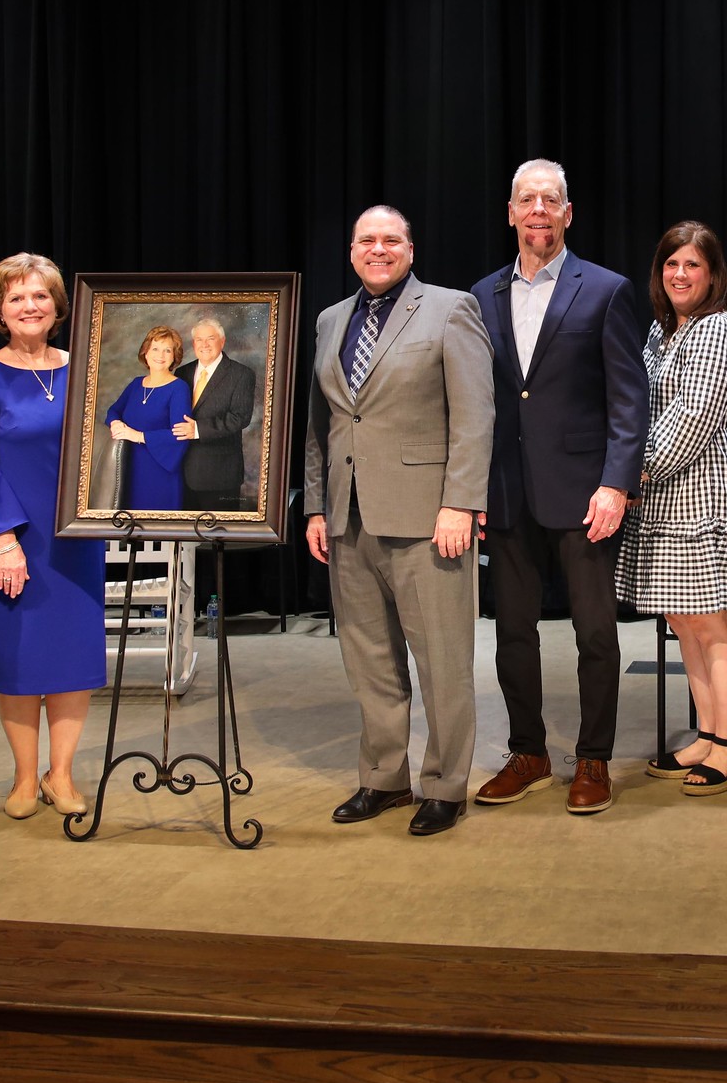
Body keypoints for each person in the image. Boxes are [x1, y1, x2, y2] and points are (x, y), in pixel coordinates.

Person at [304, 205, 495, 837]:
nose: (378, 249)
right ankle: (384, 777)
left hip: (427, 516)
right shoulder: (331, 321)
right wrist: (314, 507)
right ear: (351, 250)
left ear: (410, 249)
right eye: (367, 240)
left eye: (391, 240)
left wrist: (461, 503)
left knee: (442, 661)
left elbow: (474, 414)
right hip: (347, 518)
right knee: (369, 659)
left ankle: (444, 785)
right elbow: (321, 428)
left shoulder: (450, 308)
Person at [470, 159, 649, 816]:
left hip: (583, 493)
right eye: (527, 199)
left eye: (551, 199)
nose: (539, 209)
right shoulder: (479, 295)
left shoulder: (604, 290)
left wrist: (615, 484)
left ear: (567, 214)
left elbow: (630, 400)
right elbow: (476, 402)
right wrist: (470, 488)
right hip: (507, 492)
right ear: (511, 212)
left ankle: (593, 758)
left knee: (596, 633)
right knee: (512, 630)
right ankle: (528, 751)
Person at [616, 221, 727, 797]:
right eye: (670, 265)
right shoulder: (664, 332)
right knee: (683, 623)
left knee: (711, 624)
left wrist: (630, 470)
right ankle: (707, 735)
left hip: (697, 498)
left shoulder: (717, 332)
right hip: (660, 499)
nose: (679, 274)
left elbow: (693, 420)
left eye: (692, 266)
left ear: (713, 274)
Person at [0, 253, 108, 820]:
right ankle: (25, 778)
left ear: (57, 306)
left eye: (40, 295)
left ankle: (61, 775)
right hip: (13, 540)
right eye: (17, 297)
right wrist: (4, 540)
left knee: (71, 660)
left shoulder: (86, 367)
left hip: (74, 540)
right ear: (0, 308)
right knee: (19, 662)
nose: (29, 306)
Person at [103, 325, 192, 510]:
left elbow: (180, 436)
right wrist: (115, 423)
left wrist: (137, 436)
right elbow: (113, 411)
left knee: (157, 533)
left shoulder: (179, 388)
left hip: (160, 473)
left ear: (175, 356)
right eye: (155, 348)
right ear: (145, 352)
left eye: (168, 350)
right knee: (127, 529)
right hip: (129, 468)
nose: (160, 355)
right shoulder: (136, 384)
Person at [175, 319, 257, 512]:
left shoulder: (241, 374)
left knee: (218, 538)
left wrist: (197, 429)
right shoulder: (182, 373)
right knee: (185, 538)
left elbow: (240, 417)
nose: (204, 345)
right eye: (199, 340)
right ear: (193, 344)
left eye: (210, 339)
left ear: (222, 341)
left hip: (220, 475)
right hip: (182, 473)